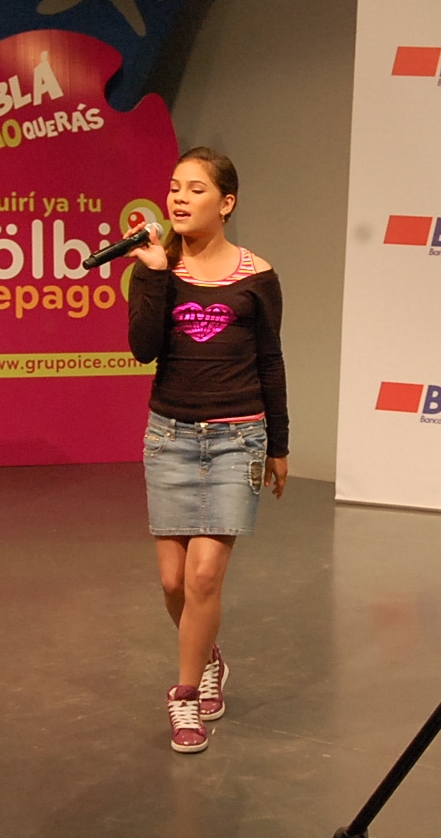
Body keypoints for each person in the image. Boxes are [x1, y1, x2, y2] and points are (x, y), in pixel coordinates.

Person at [126, 146, 290, 753]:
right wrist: (151, 274)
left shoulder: (258, 276)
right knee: (173, 582)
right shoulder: (157, 267)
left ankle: (186, 694)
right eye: (174, 187)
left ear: (226, 203)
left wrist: (279, 444)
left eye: (195, 189)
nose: (178, 198)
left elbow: (270, 361)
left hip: (237, 440)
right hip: (169, 437)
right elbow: (142, 349)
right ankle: (209, 654)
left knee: (203, 575)